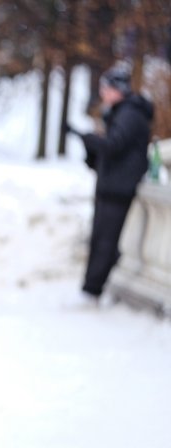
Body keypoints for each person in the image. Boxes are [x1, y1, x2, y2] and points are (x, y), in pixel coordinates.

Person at [67, 65, 154, 303]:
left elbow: (114, 146)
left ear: (118, 90)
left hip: (118, 188)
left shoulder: (129, 114)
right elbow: (109, 150)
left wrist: (87, 138)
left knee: (105, 240)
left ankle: (92, 290)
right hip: (111, 186)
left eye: (106, 88)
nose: (103, 93)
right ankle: (90, 288)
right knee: (100, 239)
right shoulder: (120, 112)